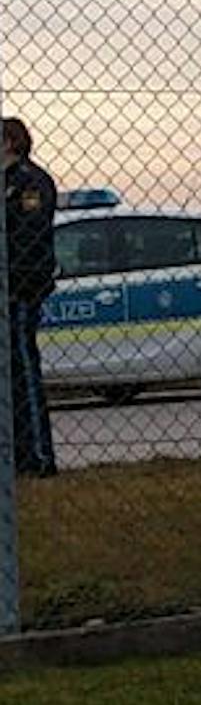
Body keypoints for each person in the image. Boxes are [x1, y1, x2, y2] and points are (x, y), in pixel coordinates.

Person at [3, 117, 58, 479]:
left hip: (20, 291)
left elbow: (29, 239)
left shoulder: (30, 182)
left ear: (9, 142)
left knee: (23, 371)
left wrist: (15, 282)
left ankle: (38, 457)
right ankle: (15, 456)